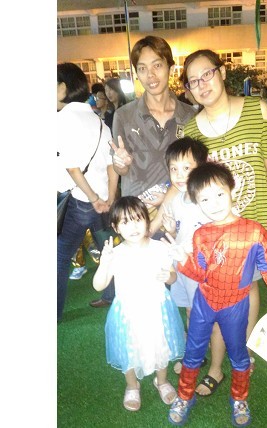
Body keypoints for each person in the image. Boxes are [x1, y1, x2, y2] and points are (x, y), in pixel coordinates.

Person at [180, 49, 267, 396]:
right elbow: (188, 180)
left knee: (247, 287)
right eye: (193, 81)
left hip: (253, 222)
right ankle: (216, 365)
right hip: (216, 228)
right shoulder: (191, 129)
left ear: (222, 72)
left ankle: (245, 352)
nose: (202, 84)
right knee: (217, 290)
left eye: (207, 74)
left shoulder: (258, 110)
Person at [163, 162, 267, 426]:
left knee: (239, 354)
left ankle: (239, 398)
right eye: (204, 199)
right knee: (193, 351)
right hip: (204, 303)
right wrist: (182, 260)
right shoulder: (201, 234)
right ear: (197, 202)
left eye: (219, 194)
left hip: (235, 306)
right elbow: (201, 274)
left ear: (232, 189)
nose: (213, 204)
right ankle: (185, 395)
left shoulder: (254, 232)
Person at [90, 35, 196, 309]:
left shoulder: (190, 115)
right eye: (142, 68)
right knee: (143, 289)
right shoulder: (124, 115)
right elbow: (120, 166)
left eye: (157, 65)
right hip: (138, 217)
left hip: (179, 212)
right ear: (136, 73)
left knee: (184, 281)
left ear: (170, 66)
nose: (151, 75)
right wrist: (121, 162)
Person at [93, 196, 186, 412]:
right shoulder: (115, 254)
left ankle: (161, 381)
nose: (133, 227)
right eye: (125, 222)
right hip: (128, 312)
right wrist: (104, 263)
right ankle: (132, 385)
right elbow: (98, 285)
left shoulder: (160, 248)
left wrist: (169, 277)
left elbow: (173, 276)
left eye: (137, 219)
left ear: (147, 220)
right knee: (129, 349)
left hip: (157, 309)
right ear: (116, 227)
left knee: (161, 346)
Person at [57, 62, 118, 323]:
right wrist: (108, 199)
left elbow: (72, 168)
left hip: (80, 202)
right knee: (108, 251)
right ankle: (113, 296)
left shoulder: (60, 120)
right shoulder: (99, 121)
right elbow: (112, 165)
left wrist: (93, 199)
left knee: (59, 256)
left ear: (63, 87)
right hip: (102, 201)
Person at [148, 137, 211, 374]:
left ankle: (196, 354)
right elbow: (179, 231)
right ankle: (195, 346)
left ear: (201, 167)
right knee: (187, 308)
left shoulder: (207, 200)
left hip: (197, 266)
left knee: (198, 311)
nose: (179, 174)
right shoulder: (175, 200)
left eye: (186, 168)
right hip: (180, 265)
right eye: (174, 169)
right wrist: (171, 230)